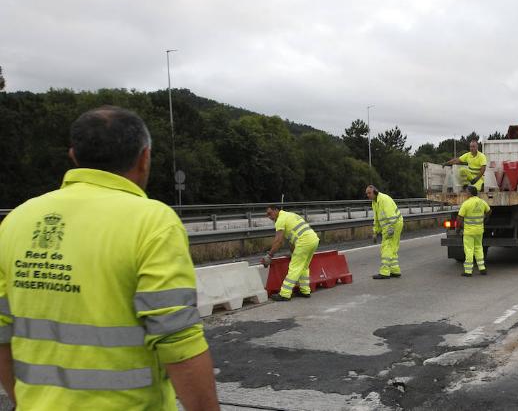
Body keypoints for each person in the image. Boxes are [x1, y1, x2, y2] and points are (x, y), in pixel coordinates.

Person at [0, 106, 218, 410]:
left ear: (73, 155)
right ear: (144, 157)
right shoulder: (152, 221)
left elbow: (2, 334)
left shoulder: (15, 221)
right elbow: (177, 340)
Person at [265, 205, 320, 301]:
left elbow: (278, 241)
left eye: (270, 213)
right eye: (267, 215)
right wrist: (293, 253)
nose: (269, 217)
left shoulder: (280, 220)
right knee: (304, 267)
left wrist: (269, 255)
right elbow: (292, 239)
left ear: (276, 210)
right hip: (313, 240)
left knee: (294, 267)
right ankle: (305, 291)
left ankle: (284, 294)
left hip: (304, 241)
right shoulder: (290, 215)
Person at [367, 186, 403, 279]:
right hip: (391, 225)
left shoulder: (384, 199)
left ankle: (384, 272)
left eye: (369, 193)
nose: (368, 195)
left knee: (386, 247)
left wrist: (391, 228)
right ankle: (395, 270)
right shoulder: (374, 203)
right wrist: (375, 232)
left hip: (393, 224)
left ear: (375, 192)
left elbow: (391, 215)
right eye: (367, 193)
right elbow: (377, 219)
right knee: (392, 247)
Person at [456, 186, 491, 277]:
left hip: (469, 231)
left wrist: (458, 228)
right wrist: (484, 219)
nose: (465, 194)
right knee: (479, 248)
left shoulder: (466, 203)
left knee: (469, 250)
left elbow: (459, 218)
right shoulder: (482, 202)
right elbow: (489, 211)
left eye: (466, 192)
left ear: (470, 193)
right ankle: (482, 268)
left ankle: (468, 271)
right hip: (479, 230)